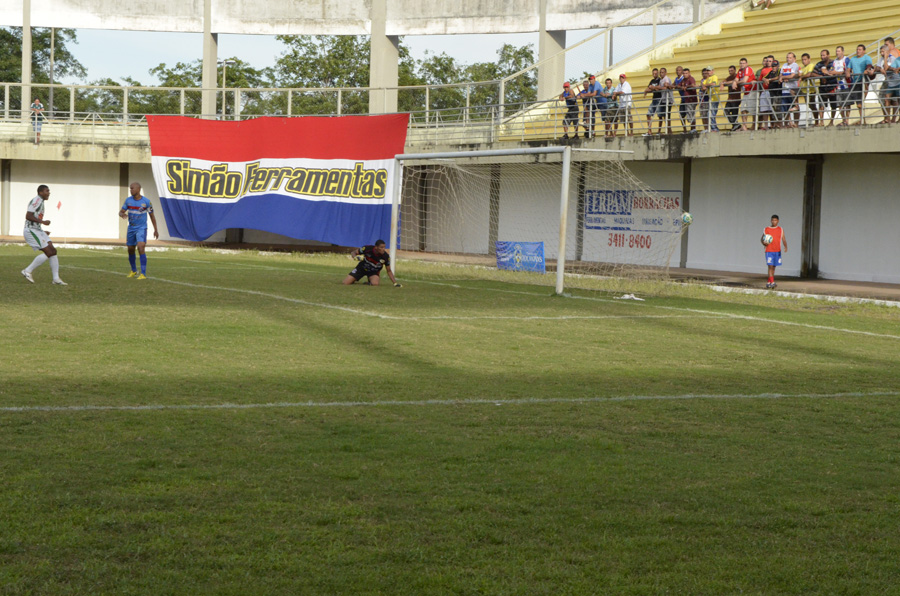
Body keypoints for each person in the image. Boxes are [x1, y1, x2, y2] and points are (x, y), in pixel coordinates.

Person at [20, 184, 67, 285]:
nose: (49, 193)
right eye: (46, 191)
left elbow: (35, 216)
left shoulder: (41, 201)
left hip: (37, 230)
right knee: (49, 252)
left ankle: (56, 278)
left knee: (53, 251)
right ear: (40, 192)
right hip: (31, 230)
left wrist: (42, 229)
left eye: (48, 191)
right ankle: (27, 271)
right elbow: (28, 216)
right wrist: (43, 222)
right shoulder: (36, 200)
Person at [118, 182, 159, 279]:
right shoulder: (128, 201)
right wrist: (122, 214)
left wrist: (156, 229)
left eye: (132, 188)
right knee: (130, 249)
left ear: (138, 189)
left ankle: (143, 274)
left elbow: (152, 216)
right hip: (131, 227)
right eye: (130, 188)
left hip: (141, 227)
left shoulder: (146, 202)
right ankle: (133, 270)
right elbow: (120, 212)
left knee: (141, 247)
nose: (130, 190)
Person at [847, 44, 873, 124]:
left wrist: (867, 70)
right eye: (857, 49)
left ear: (864, 51)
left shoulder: (867, 57)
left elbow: (869, 66)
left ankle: (863, 120)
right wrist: (847, 72)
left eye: (860, 49)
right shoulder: (853, 59)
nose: (858, 51)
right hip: (855, 82)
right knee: (853, 103)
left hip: (863, 81)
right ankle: (859, 120)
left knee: (860, 102)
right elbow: (848, 68)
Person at [875, 44, 900, 123]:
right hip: (890, 83)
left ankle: (894, 119)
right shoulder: (881, 59)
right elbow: (877, 67)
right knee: (886, 98)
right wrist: (880, 69)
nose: (881, 53)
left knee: (896, 100)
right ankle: (887, 118)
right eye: (881, 52)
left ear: (887, 51)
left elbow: (886, 68)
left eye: (883, 51)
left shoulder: (892, 58)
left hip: (897, 81)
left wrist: (885, 58)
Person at [762, 214, 787, 289]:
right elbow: (762, 239)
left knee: (774, 267)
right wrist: (764, 243)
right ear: (771, 221)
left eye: (775, 220)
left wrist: (785, 246)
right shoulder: (766, 229)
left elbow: (783, 239)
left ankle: (769, 282)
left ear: (778, 221)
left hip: (777, 250)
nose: (774, 221)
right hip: (769, 250)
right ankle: (772, 282)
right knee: (770, 266)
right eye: (772, 220)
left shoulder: (780, 229)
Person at [813, 49, 837, 126]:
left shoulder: (834, 63)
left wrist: (827, 75)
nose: (822, 57)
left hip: (833, 86)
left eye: (824, 55)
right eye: (821, 55)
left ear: (828, 55)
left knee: (833, 105)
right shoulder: (819, 64)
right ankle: (822, 122)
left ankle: (832, 122)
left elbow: (836, 72)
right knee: (821, 105)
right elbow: (813, 73)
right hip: (823, 87)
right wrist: (821, 76)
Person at [778, 52, 801, 127]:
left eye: (790, 57)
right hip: (784, 90)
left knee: (795, 107)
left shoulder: (795, 65)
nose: (788, 59)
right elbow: (781, 74)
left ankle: (796, 123)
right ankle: (789, 122)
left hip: (792, 89)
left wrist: (783, 78)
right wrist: (782, 77)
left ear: (794, 58)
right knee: (785, 108)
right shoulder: (784, 65)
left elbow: (792, 75)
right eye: (787, 57)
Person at [832, 46, 851, 125]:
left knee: (848, 103)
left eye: (839, 51)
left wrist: (836, 73)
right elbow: (831, 71)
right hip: (838, 85)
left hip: (846, 84)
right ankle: (844, 120)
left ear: (842, 52)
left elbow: (846, 71)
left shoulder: (846, 59)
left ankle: (847, 120)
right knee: (840, 104)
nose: (837, 53)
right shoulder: (834, 61)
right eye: (836, 51)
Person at [798, 53, 819, 127]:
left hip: (810, 90)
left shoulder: (811, 65)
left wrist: (802, 77)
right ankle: (816, 121)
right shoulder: (802, 68)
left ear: (809, 59)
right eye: (802, 60)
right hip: (804, 90)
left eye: (805, 59)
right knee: (810, 106)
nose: (804, 61)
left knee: (813, 106)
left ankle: (817, 121)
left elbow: (809, 74)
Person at [737, 57, 758, 130]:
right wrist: (734, 82)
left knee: (752, 109)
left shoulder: (748, 69)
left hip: (752, 91)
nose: (742, 65)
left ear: (746, 64)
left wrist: (735, 83)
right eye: (741, 63)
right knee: (743, 109)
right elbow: (736, 79)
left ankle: (754, 125)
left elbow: (745, 80)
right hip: (745, 92)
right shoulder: (739, 71)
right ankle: (744, 126)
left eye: (743, 63)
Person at [721, 65, 741, 131]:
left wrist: (725, 83)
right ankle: (735, 125)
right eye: (729, 71)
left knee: (734, 114)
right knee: (726, 111)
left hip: (736, 98)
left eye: (731, 70)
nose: (730, 72)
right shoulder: (729, 77)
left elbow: (734, 81)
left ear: (735, 70)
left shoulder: (737, 76)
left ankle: (735, 126)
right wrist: (722, 83)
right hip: (730, 99)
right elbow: (724, 81)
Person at [700, 66, 720, 132]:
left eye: (709, 71)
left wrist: (705, 85)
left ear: (712, 71)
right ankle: (713, 128)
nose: (708, 72)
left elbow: (713, 84)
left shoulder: (714, 77)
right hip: (711, 99)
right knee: (710, 114)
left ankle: (714, 128)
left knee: (711, 114)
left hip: (715, 98)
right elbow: (702, 84)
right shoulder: (708, 78)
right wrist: (704, 86)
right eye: (707, 71)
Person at [644, 68, 663, 135]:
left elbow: (659, 87)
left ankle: (659, 131)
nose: (654, 74)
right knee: (648, 114)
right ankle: (649, 131)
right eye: (653, 73)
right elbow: (648, 88)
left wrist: (653, 88)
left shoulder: (660, 80)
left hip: (659, 99)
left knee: (660, 115)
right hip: (654, 99)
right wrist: (649, 90)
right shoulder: (652, 81)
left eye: (655, 73)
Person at [658, 67, 674, 134]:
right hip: (664, 99)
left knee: (667, 115)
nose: (661, 74)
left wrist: (659, 87)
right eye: (660, 72)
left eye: (662, 72)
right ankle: (668, 129)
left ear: (665, 73)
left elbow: (666, 86)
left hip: (668, 99)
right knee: (664, 115)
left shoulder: (666, 79)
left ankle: (669, 130)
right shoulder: (661, 80)